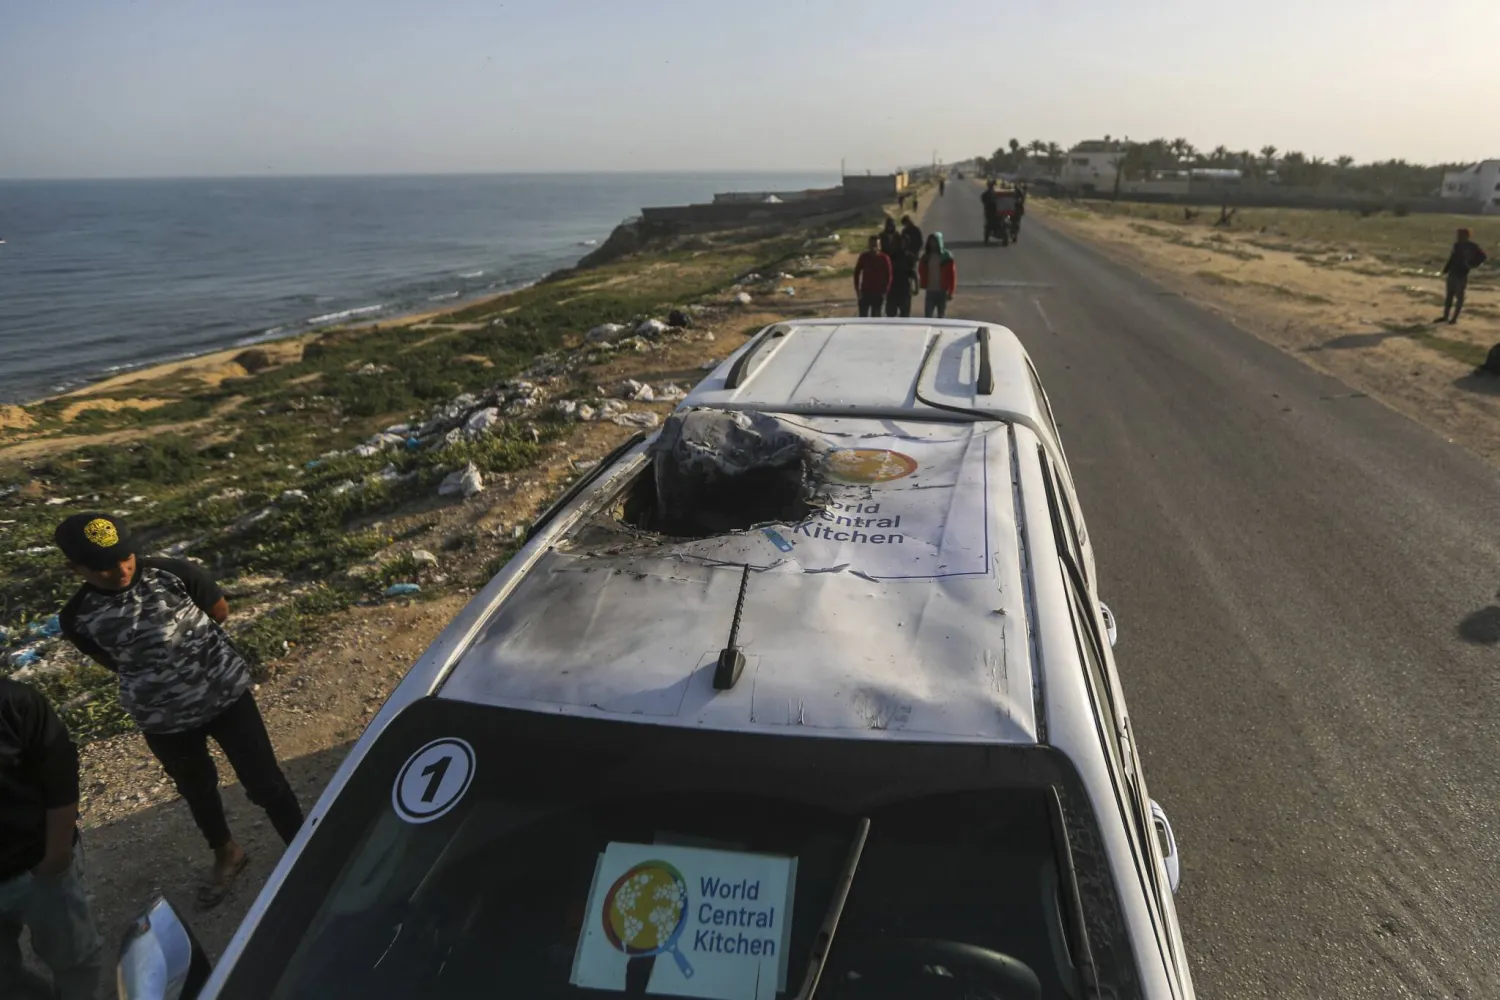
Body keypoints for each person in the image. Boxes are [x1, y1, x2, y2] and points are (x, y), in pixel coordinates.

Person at [54, 513, 304, 909]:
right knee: (197, 790)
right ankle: (227, 853)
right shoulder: (77, 616)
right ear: (75, 569)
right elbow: (111, 659)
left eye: (125, 558)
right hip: (164, 720)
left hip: (226, 697)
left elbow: (218, 611)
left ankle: (304, 849)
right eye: (102, 566)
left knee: (266, 782)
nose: (119, 570)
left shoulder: (174, 573)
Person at [0, 678, 102, 1000]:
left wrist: (54, 861)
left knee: (75, 961)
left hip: (38, 869)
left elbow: (60, 783)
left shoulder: (14, 702)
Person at [1438, 228, 1488, 324]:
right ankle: (1445, 316)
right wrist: (1446, 269)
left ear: (1466, 236)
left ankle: (1454, 319)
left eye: (1460, 235)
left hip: (1461, 274)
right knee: (1449, 296)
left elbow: (1483, 257)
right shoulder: (1457, 245)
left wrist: (1471, 264)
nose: (1458, 237)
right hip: (1452, 272)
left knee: (1459, 298)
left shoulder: (1472, 246)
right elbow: (1452, 257)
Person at [918, 232, 957, 318]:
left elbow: (952, 275)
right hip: (930, 290)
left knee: (941, 316)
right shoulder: (926, 257)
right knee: (928, 316)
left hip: (942, 291)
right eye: (931, 242)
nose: (933, 244)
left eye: (935, 242)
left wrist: (951, 292)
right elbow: (921, 270)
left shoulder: (946, 257)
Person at [853, 236, 893, 318]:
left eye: (876, 245)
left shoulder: (884, 258)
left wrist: (885, 291)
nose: (874, 247)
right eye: (872, 244)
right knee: (862, 318)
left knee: (876, 319)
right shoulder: (864, 257)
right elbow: (857, 273)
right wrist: (858, 290)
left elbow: (889, 275)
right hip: (865, 292)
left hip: (878, 293)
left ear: (880, 246)